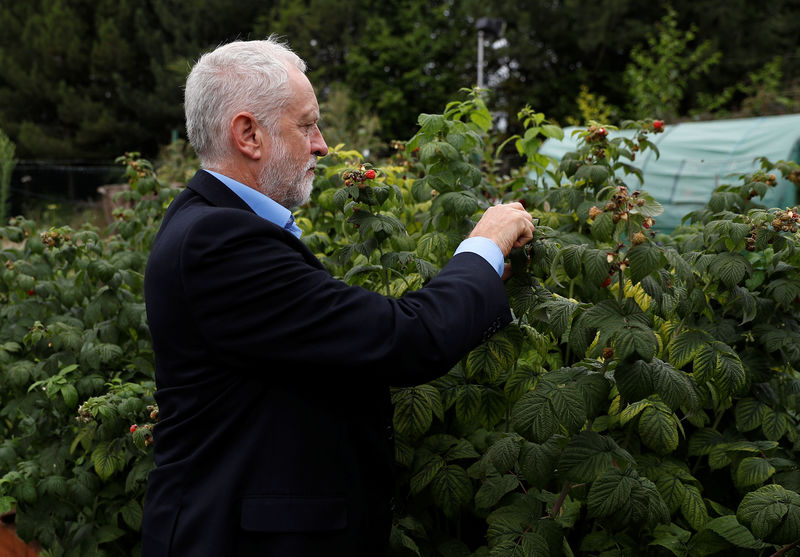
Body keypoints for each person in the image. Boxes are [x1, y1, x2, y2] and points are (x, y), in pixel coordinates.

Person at [141, 38, 534, 557]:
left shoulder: (205, 223)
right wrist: (484, 245)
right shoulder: (219, 242)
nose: (322, 144)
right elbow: (404, 338)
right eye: (306, 125)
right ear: (248, 134)